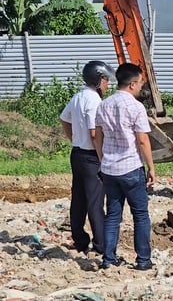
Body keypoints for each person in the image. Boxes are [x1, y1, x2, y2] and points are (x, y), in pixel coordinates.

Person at [94, 62, 156, 271]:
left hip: (109, 169)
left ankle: (108, 260)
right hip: (131, 168)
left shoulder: (103, 105)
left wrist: (103, 160)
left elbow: (98, 136)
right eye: (139, 83)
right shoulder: (136, 107)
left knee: (113, 215)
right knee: (140, 215)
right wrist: (151, 168)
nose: (140, 87)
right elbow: (142, 141)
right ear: (131, 84)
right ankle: (143, 260)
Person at [60, 60, 115, 255]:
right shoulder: (94, 101)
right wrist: (102, 157)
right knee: (95, 202)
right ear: (98, 80)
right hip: (92, 156)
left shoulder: (78, 97)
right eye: (106, 80)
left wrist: (74, 138)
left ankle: (80, 240)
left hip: (77, 154)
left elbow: (64, 118)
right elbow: (94, 134)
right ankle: (101, 244)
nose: (108, 85)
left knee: (79, 199)